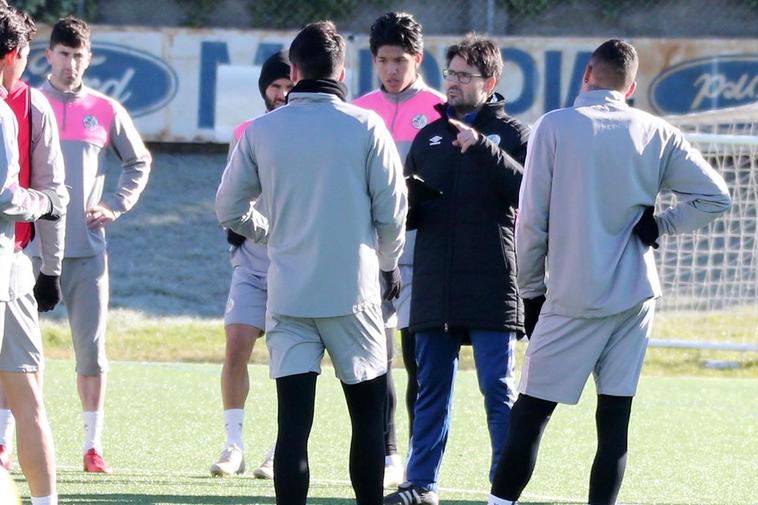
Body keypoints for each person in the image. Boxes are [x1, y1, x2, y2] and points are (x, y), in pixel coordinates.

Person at [488, 39, 731, 505]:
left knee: (531, 414)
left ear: (587, 75)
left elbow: (531, 220)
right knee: (614, 421)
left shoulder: (554, 127)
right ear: (631, 87)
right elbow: (716, 197)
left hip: (571, 297)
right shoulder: (658, 132)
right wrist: (661, 225)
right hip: (635, 297)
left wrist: (531, 293)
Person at [216, 21, 407, 505]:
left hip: (290, 294)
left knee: (293, 426)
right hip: (354, 294)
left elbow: (229, 209)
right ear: (342, 69)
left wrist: (272, 232)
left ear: (295, 71)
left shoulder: (261, 130)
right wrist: (387, 265)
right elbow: (392, 212)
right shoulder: (366, 125)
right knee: (367, 422)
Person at [384, 34, 528, 505]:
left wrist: (483, 147)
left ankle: (503, 491)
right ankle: (420, 484)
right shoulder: (429, 135)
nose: (454, 84)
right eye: (450, 74)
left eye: (464, 76)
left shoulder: (516, 135)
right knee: (430, 391)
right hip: (434, 283)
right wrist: (407, 206)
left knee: (498, 391)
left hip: (492, 282)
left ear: (490, 82)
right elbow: (407, 206)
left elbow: (529, 197)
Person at [30, 16, 152, 473]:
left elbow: (137, 162)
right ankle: (6, 439)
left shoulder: (104, 109)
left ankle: (92, 446)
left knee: (91, 350)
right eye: (63, 53)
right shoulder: (27, 103)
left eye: (79, 56)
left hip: (86, 250)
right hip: (30, 250)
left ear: (90, 59)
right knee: (19, 350)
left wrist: (116, 205)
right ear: (49, 55)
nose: (71, 64)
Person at [352, 12, 444, 487]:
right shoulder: (359, 109)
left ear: (418, 59)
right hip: (372, 253)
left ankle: (416, 453)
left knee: (419, 360)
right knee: (378, 355)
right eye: (384, 60)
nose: (391, 69)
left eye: (400, 60)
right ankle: (388, 453)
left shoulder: (439, 107)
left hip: (422, 251)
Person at [209, 50, 293, 479]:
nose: (281, 93)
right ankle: (233, 445)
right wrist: (238, 225)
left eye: (287, 85)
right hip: (251, 260)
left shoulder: (302, 131)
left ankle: (280, 449)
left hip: (293, 261)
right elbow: (233, 190)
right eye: (274, 85)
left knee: (287, 358)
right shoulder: (246, 131)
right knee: (237, 346)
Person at [0, 6, 66, 504]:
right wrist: (42, 202)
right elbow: (8, 195)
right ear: (13, 55)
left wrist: (52, 269)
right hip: (6, 269)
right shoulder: (5, 108)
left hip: (17, 267)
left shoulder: (32, 106)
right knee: (29, 400)